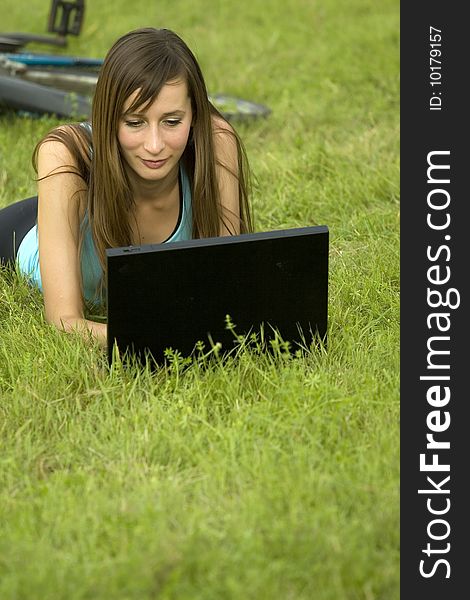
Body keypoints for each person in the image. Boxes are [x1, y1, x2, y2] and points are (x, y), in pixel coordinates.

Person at [0, 27, 253, 347]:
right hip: (21, 235)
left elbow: (226, 287)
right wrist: (150, 339)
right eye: (135, 122)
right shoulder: (67, 155)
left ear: (194, 115)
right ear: (108, 119)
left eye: (172, 121)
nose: (155, 145)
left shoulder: (215, 143)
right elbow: (64, 321)